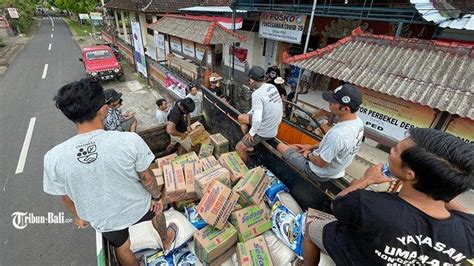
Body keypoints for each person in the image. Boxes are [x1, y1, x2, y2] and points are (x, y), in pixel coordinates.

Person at [43, 79, 176, 266]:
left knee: (122, 248)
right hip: (137, 207)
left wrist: (80, 215)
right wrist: (156, 197)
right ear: (103, 109)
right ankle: (165, 238)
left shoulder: (53, 157)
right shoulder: (129, 141)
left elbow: (66, 198)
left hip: (103, 219)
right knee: (158, 212)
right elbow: (146, 177)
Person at [303, 128, 474, 265]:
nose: (391, 151)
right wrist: (442, 184)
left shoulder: (368, 203)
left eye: (395, 149)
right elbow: (464, 213)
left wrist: (366, 179)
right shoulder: (468, 231)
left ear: (409, 174)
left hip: (355, 256)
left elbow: (339, 204)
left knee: (311, 228)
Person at [277, 83, 364, 182]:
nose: (329, 103)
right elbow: (331, 144)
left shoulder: (338, 134)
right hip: (335, 170)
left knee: (280, 146)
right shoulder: (358, 122)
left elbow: (321, 163)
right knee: (296, 146)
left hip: (319, 172)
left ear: (345, 109)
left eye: (333, 102)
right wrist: (310, 147)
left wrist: (308, 155)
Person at [236, 66, 283, 162]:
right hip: (274, 127)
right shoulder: (272, 87)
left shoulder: (257, 94)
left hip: (264, 131)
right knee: (241, 118)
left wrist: (251, 133)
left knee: (239, 148)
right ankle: (249, 144)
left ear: (252, 80)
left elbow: (257, 119)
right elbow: (279, 106)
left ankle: (246, 167)